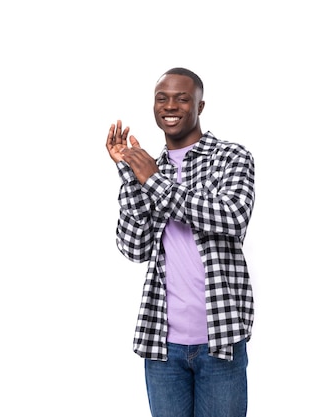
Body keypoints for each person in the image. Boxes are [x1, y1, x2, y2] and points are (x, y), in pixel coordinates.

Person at [106, 67, 256, 417]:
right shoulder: (149, 166)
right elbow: (134, 247)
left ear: (200, 106)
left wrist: (153, 181)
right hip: (162, 343)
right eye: (162, 98)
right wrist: (131, 176)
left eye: (182, 98)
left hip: (220, 338)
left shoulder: (230, 157)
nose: (170, 106)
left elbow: (232, 217)